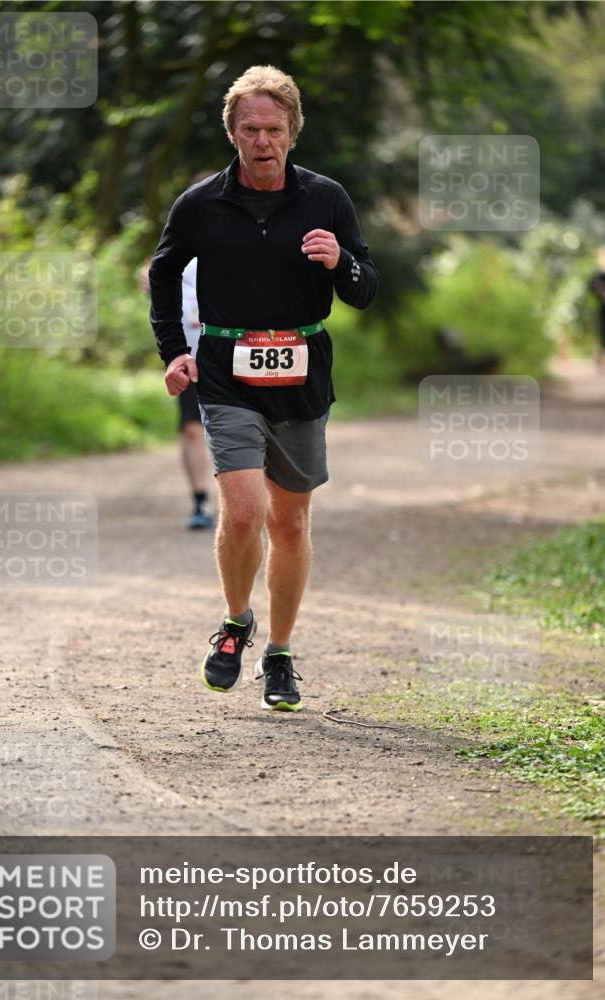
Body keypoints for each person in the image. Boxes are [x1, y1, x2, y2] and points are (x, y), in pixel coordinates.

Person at [149, 65, 378, 711]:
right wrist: (174, 353)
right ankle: (232, 622)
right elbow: (164, 276)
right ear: (232, 132)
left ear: (292, 133)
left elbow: (364, 289)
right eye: (249, 128)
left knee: (290, 520)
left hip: (302, 369)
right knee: (244, 509)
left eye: (273, 128)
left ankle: (278, 653)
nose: (261, 140)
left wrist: (341, 262)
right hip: (225, 369)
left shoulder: (325, 198)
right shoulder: (199, 204)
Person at [139, 255, 213, 529]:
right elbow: (153, 268)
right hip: (188, 357)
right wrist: (146, 276)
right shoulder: (180, 244)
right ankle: (200, 500)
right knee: (192, 429)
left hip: (230, 355)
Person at [589, 245, 605, 374]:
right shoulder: (600, 276)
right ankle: (600, 361)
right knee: (604, 335)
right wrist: (603, 293)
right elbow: (593, 286)